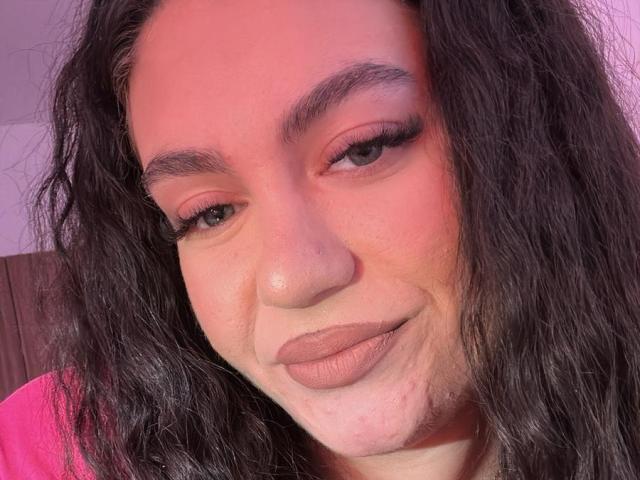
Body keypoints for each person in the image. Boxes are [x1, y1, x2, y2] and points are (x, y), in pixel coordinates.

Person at [1, 0, 639, 478]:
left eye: (363, 150)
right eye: (209, 213)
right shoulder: (61, 447)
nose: (291, 278)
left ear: (531, 137)